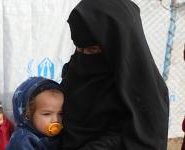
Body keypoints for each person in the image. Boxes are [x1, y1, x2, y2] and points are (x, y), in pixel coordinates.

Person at [60, 0, 170, 149]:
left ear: (118, 45)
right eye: (79, 49)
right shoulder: (75, 72)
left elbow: (142, 141)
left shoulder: (146, 94)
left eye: (92, 50)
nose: (82, 56)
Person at [6, 77, 64, 150]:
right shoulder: (23, 140)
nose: (56, 119)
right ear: (27, 115)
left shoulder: (62, 134)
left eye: (61, 114)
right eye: (47, 114)